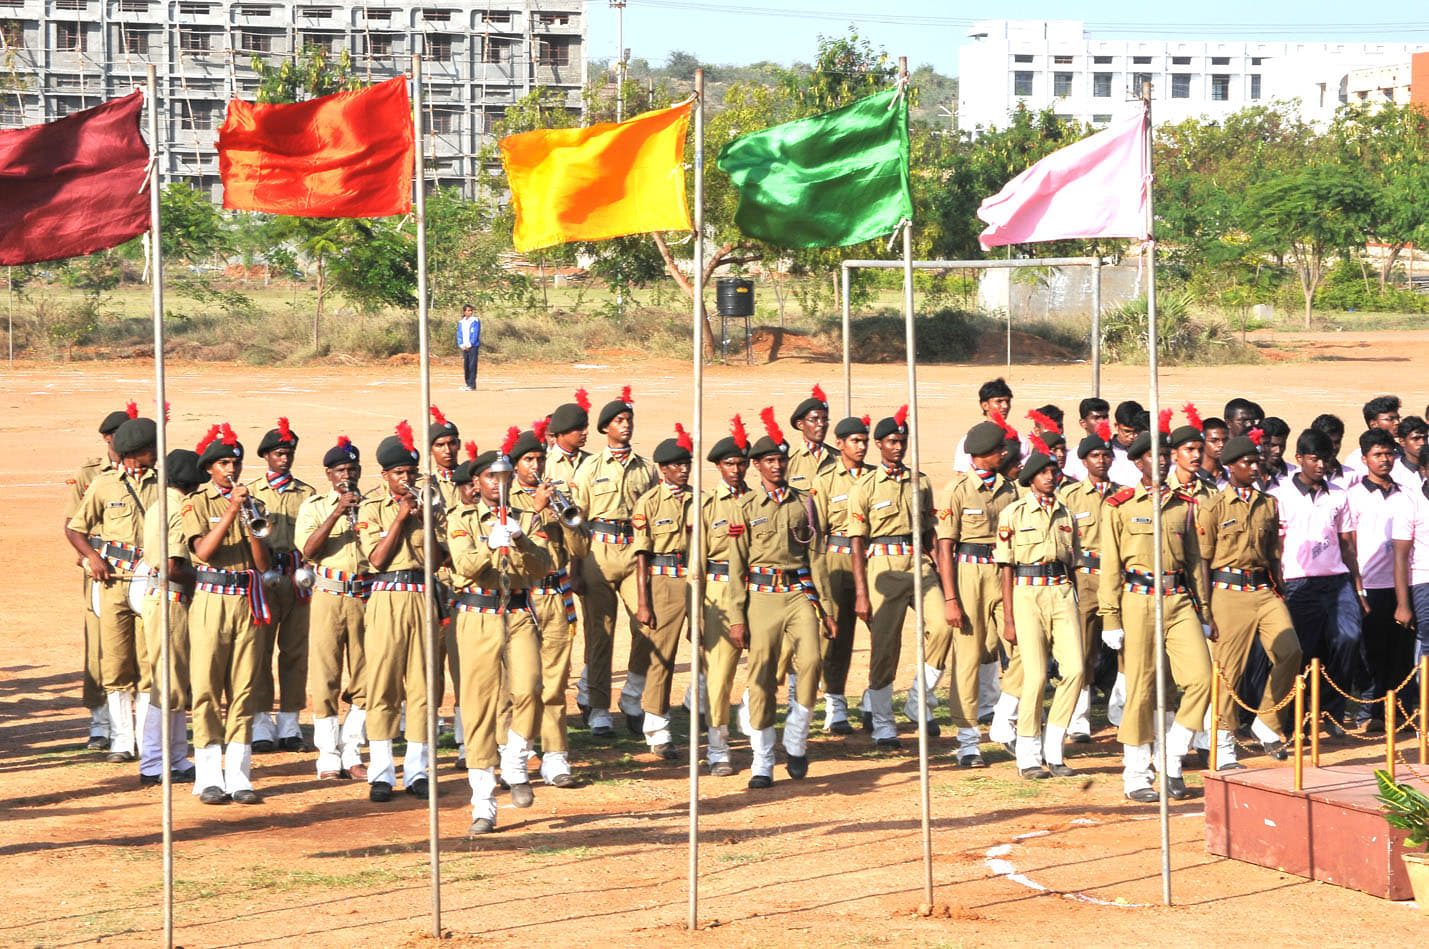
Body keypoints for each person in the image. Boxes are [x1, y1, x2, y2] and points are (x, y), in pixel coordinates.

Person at [1099, 428, 1213, 803]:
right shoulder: (1120, 505)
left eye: (1165, 455)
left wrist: (1205, 611)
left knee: (1201, 678)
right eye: (1154, 456)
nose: (1162, 461)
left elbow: (1195, 562)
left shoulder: (1183, 504)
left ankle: (1172, 756)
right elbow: (1111, 567)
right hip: (1138, 599)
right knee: (1142, 689)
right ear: (1137, 462)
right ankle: (1135, 773)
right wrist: (1110, 618)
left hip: (1179, 599)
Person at [725, 408, 837, 788]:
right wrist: (736, 617)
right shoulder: (744, 508)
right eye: (769, 460)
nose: (777, 466)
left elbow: (816, 556)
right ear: (756, 466)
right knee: (761, 677)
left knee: (811, 661)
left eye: (781, 459)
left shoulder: (804, 502)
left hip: (798, 592)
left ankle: (797, 737)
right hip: (760, 596)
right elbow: (736, 566)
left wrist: (827, 608)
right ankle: (762, 759)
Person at [447, 442, 553, 833]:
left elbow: (544, 567)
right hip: (476, 614)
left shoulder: (528, 516)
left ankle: (516, 757)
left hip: (518, 611)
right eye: (491, 476)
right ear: (477, 481)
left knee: (530, 688)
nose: (499, 482)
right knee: (477, 709)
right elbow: (464, 564)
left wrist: (523, 540)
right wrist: (492, 543)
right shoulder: (463, 518)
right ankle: (483, 802)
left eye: (504, 476)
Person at [1197, 433, 1302, 769]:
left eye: (1257, 461)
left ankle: (1267, 723)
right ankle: (1223, 742)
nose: (1255, 467)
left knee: (1291, 652)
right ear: (1230, 467)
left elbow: (1273, 552)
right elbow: (1202, 559)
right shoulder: (1213, 506)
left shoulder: (1268, 503)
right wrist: (1204, 606)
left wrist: (1280, 585)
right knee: (1229, 671)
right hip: (1227, 593)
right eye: (1248, 462)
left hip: (1263, 589)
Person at [182, 423, 271, 804]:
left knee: (244, 687)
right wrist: (232, 510)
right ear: (209, 469)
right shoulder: (197, 501)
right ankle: (207, 776)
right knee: (206, 687)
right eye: (223, 463)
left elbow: (264, 563)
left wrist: (250, 519)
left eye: (234, 462)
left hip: (245, 599)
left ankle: (238, 775)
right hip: (210, 598)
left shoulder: (256, 505)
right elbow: (203, 551)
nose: (231, 469)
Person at [847, 406, 947, 749]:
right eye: (892, 441)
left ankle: (918, 698)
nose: (898, 447)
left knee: (944, 626)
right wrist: (861, 592)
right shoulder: (866, 485)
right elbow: (857, 542)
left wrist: (944, 579)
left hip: (918, 562)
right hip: (883, 565)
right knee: (885, 648)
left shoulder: (920, 481)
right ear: (878, 444)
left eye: (902, 441)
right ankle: (883, 723)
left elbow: (931, 531)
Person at [65, 414, 161, 765]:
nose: (157, 451)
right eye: (152, 447)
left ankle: (149, 740)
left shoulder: (162, 483)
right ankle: (122, 739)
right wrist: (93, 558)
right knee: (117, 662)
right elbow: (76, 528)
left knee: (150, 661)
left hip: (149, 577)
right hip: (113, 580)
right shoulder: (103, 485)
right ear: (138, 451)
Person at [357, 422, 442, 802]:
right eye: (398, 474)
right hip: (388, 595)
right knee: (383, 683)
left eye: (410, 473)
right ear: (385, 476)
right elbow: (375, 558)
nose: (406, 479)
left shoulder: (429, 505)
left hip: (422, 594)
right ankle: (381, 771)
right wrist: (399, 518)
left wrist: (427, 520)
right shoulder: (372, 507)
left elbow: (438, 561)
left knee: (423, 685)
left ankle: (418, 769)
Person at [928, 420, 1019, 766]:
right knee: (967, 658)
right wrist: (950, 598)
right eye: (999, 450)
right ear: (983, 455)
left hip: (1004, 572)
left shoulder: (1011, 489)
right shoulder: (958, 490)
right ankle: (967, 741)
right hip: (968, 575)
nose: (1005, 454)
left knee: (1020, 646)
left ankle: (1004, 718)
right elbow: (945, 549)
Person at [569, 386, 657, 738]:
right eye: (619, 421)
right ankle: (600, 707)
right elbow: (578, 521)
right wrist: (576, 567)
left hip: (633, 550)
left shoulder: (646, 470)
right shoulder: (589, 468)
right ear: (606, 428)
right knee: (599, 633)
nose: (626, 426)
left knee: (646, 625)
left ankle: (633, 697)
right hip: (598, 551)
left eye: (629, 421)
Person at [995, 442, 1083, 778]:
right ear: (1031, 478)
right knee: (1036, 676)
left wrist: (1074, 597)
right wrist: (1008, 617)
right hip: (1026, 593)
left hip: (1061, 592)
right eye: (1044, 472)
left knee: (1074, 669)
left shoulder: (1066, 514)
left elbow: (1072, 560)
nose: (1050, 476)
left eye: (1053, 471)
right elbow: (1005, 567)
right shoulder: (1013, 514)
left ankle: (1054, 747)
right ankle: (1028, 755)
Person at [1270, 428, 1365, 736]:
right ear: (1299, 459)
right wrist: (1279, 585)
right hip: (1298, 583)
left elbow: (1348, 543)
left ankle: (1332, 713)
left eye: (1326, 459)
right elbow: (1278, 544)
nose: (1321, 465)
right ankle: (1294, 718)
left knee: (1348, 639)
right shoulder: (1280, 493)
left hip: (1337, 581)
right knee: (1303, 651)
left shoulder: (1339, 494)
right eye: (1314, 459)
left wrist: (1358, 588)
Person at [507, 423, 586, 788]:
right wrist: (537, 513)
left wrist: (565, 520)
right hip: (524, 596)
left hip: (556, 595)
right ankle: (516, 751)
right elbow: (510, 549)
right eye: (528, 460)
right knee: (522, 683)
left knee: (555, 681)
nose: (535, 465)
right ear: (515, 464)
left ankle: (555, 756)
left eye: (539, 457)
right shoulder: (507, 502)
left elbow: (580, 549)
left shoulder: (559, 493)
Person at [295, 435, 371, 780]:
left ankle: (352, 750)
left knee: (366, 675)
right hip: (327, 593)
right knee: (325, 675)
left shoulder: (371, 505)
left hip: (364, 596)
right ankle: (327, 753)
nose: (347, 476)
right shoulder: (314, 506)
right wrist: (337, 511)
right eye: (341, 470)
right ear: (328, 474)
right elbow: (309, 550)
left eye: (352, 469)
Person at [246, 418, 315, 753]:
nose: (283, 458)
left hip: (296, 578)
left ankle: (289, 724)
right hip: (263, 580)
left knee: (294, 652)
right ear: (266, 456)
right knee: (259, 652)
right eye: (277, 453)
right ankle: (260, 721)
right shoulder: (251, 493)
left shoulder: (308, 493)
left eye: (288, 453)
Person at [137, 447, 204, 787]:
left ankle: (176, 756)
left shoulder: (161, 504)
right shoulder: (176, 508)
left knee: (175, 682)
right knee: (166, 683)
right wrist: (207, 583)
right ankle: (152, 762)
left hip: (166, 598)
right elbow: (174, 566)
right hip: (171, 599)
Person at [631, 425, 696, 759]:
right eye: (677, 464)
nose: (684, 469)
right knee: (663, 656)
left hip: (697, 579)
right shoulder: (649, 503)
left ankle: (702, 707)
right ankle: (657, 729)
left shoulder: (701, 499)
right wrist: (643, 601)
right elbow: (642, 554)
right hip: (664, 580)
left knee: (710, 645)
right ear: (662, 468)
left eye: (687, 463)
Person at [66, 406, 129, 751]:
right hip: (101, 571)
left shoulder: (148, 470)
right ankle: (100, 722)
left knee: (138, 648)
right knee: (100, 649)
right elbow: (72, 522)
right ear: (107, 438)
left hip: (137, 571)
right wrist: (89, 557)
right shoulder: (90, 473)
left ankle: (130, 723)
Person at [811, 413, 872, 734]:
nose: (861, 447)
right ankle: (835, 704)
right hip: (836, 563)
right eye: (854, 441)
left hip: (872, 561)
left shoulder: (876, 478)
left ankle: (876, 698)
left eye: (864, 441)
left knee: (884, 633)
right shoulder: (824, 481)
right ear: (839, 444)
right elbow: (816, 534)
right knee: (837, 635)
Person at [1058, 420, 1118, 742]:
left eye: (1106, 454)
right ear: (1083, 461)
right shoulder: (1069, 496)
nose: (1101, 460)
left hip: (1117, 579)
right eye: (1094, 455)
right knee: (1082, 648)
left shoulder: (1124, 494)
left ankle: (1120, 709)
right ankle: (1078, 717)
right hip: (1084, 577)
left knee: (1129, 647)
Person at [1346, 429, 1408, 734]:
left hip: (1400, 586)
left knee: (1399, 649)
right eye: (1377, 454)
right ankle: (1369, 710)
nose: (1385, 460)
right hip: (1368, 584)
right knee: (1369, 651)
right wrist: (1357, 588)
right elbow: (1350, 545)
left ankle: (1401, 710)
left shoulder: (1406, 495)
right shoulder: (1354, 496)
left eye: (1388, 454)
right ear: (1364, 459)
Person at [701, 417, 751, 775]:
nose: (735, 469)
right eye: (729, 464)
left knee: (775, 659)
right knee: (719, 675)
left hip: (758, 587)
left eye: (740, 463)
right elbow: (696, 564)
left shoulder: (760, 500)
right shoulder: (706, 507)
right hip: (719, 589)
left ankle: (751, 711)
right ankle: (718, 746)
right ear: (719, 467)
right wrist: (696, 610)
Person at [1392, 443, 1429, 718]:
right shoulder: (1410, 501)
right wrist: (1403, 604)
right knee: (1427, 639)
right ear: (1424, 470)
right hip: (1423, 580)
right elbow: (1401, 555)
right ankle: (1425, 708)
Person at [954, 378, 1029, 472]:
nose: (1005, 406)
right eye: (999, 401)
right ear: (985, 405)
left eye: (1008, 401)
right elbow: (962, 473)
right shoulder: (971, 439)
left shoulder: (1020, 440)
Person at [1061, 397, 1110, 481]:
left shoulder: (1120, 453)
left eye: (1105, 417)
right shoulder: (1072, 458)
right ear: (1083, 423)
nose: (1102, 422)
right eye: (1097, 418)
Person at [1392, 417, 1428, 491]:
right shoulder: (1392, 472)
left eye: (1425, 438)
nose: (1422, 443)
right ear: (1402, 442)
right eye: (1416, 439)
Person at [1198, 416, 1229, 489]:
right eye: (1214, 441)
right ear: (1202, 442)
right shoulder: (1194, 476)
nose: (1221, 445)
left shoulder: (1232, 475)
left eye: (1224, 440)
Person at [457, 303, 481, 391]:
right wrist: (461, 344)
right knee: (466, 365)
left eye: (471, 310)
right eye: (468, 311)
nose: (470, 312)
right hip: (464, 347)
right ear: (464, 312)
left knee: (472, 365)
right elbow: (459, 334)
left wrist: (470, 344)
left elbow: (475, 333)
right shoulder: (461, 322)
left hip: (472, 346)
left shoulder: (475, 320)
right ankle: (467, 384)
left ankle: (472, 385)